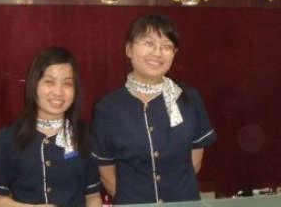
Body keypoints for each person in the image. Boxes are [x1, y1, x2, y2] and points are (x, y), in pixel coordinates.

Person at [91, 14, 217, 204]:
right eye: (148, 43)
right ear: (128, 49)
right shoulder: (107, 108)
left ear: (174, 53)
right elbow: (106, 171)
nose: (157, 53)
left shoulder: (189, 98)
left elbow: (195, 160)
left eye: (166, 46)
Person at [0, 46, 102, 207]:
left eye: (67, 84)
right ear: (34, 85)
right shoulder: (8, 137)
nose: (58, 92)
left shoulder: (86, 136)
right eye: (49, 82)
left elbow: (93, 197)